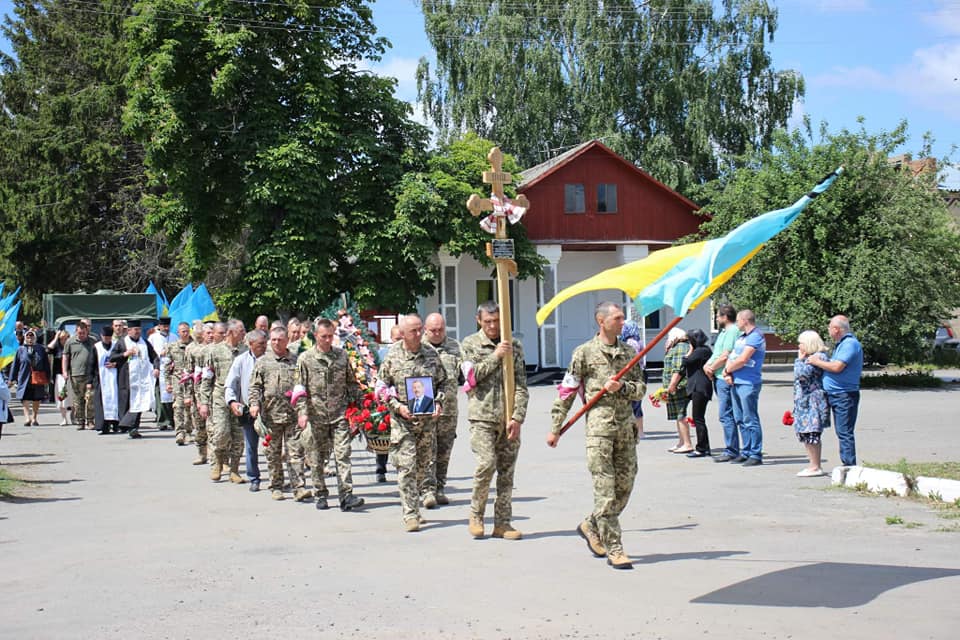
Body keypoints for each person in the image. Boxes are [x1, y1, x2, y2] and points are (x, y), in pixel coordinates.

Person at [547, 301, 646, 570]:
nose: (622, 322)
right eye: (617, 317)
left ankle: (590, 524)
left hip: (625, 430)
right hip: (599, 433)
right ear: (601, 321)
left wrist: (621, 386)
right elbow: (567, 391)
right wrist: (556, 427)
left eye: (623, 317)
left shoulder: (629, 353)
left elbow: (640, 389)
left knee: (624, 489)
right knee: (605, 491)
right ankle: (615, 548)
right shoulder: (584, 353)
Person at [460, 301, 529, 540]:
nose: (492, 326)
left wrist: (517, 417)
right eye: (487, 321)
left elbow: (521, 385)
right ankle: (476, 515)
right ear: (479, 320)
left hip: (507, 418)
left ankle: (503, 523)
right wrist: (496, 355)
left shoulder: (515, 346)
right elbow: (471, 377)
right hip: (482, 416)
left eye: (496, 321)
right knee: (486, 464)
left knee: (506, 472)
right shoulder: (470, 344)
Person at [377, 313, 447, 532]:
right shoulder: (393, 355)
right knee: (406, 467)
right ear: (404, 334)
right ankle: (410, 514)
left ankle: (415, 506)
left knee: (422, 467)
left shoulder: (431, 354)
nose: (418, 334)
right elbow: (381, 387)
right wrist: (398, 406)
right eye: (413, 331)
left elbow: (443, 383)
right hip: (403, 421)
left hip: (426, 424)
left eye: (420, 330)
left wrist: (438, 403)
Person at [295, 318, 365, 511]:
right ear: (316, 336)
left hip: (339, 414)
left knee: (343, 455)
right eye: (323, 336)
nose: (327, 340)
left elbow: (351, 383)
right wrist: (302, 413)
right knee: (316, 458)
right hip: (315, 416)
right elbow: (299, 389)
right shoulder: (305, 359)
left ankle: (346, 495)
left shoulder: (342, 356)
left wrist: (363, 403)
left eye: (330, 336)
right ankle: (320, 493)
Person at [250, 326, 311, 501]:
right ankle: (276, 486)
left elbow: (303, 386)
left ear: (287, 341)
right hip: (271, 415)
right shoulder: (263, 362)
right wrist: (254, 404)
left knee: (296, 452)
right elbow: (255, 386)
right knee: (273, 453)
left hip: (292, 415)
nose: (277, 343)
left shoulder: (296, 361)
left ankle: (298, 487)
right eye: (274, 339)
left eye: (280, 340)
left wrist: (304, 410)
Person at [808, 315, 863, 467]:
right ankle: (847, 464)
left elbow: (837, 367)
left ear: (837, 329)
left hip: (844, 394)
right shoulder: (841, 344)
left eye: (830, 327)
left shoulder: (850, 344)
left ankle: (849, 466)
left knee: (844, 431)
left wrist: (817, 361)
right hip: (835, 393)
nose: (828, 330)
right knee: (841, 431)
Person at [422, 312, 461, 505]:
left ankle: (439, 488)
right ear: (425, 330)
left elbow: (464, 372)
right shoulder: (419, 348)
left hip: (449, 409)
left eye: (441, 330)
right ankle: (427, 490)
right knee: (427, 449)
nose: (437, 333)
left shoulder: (454, 346)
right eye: (433, 330)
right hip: (426, 408)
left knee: (444, 451)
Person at [200, 320, 246, 483]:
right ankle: (217, 463)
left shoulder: (245, 351)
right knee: (221, 433)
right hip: (220, 396)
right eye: (241, 331)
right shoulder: (215, 351)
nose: (243, 334)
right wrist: (204, 401)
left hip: (240, 397)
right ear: (231, 332)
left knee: (238, 437)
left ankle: (234, 470)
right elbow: (206, 377)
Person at [223, 330, 265, 493]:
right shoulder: (241, 361)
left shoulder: (269, 359)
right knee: (251, 446)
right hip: (249, 410)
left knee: (273, 446)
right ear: (251, 344)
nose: (264, 346)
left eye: (264, 343)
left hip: (269, 409)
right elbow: (230, 384)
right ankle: (254, 477)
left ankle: (278, 479)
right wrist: (232, 402)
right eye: (260, 344)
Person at [722, 309, 765, 466]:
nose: (737, 323)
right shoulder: (742, 337)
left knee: (750, 418)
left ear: (745, 320)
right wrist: (727, 373)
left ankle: (755, 453)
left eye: (739, 320)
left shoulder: (756, 336)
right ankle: (745, 451)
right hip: (736, 380)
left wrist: (727, 370)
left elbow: (743, 359)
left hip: (749, 382)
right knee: (739, 418)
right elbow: (733, 356)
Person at [109, 320, 160, 439]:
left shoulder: (145, 343)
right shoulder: (122, 343)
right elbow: (112, 357)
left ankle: (134, 428)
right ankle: (126, 425)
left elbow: (155, 357)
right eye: (135, 330)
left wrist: (156, 368)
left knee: (140, 403)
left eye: (139, 330)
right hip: (126, 379)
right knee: (128, 403)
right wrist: (125, 354)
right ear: (129, 331)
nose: (137, 332)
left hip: (142, 379)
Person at [705, 305, 742, 463]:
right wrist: (707, 365)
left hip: (724, 377)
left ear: (725, 316)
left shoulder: (732, 331)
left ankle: (732, 449)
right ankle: (732, 448)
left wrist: (711, 368)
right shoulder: (724, 332)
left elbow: (725, 355)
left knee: (727, 414)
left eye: (718, 316)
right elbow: (717, 353)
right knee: (726, 414)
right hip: (718, 376)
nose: (717, 319)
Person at [793, 330, 831, 477]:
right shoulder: (809, 358)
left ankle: (816, 466)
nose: (799, 346)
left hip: (813, 401)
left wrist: (799, 360)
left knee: (812, 433)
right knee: (805, 433)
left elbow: (801, 376)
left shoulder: (817, 357)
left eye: (801, 343)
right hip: (804, 401)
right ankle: (812, 464)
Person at [682, 328, 713, 458]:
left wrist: (690, 349)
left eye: (690, 340)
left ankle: (702, 448)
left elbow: (685, 361)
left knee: (698, 418)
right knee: (698, 418)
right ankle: (704, 446)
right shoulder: (704, 350)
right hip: (699, 386)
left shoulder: (701, 351)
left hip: (699, 387)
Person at [9, 330, 51, 425]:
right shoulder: (20, 349)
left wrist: (48, 377)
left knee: (37, 397)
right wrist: (12, 378)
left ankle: (34, 418)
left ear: (35, 338)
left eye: (31, 337)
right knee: (25, 397)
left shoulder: (41, 349)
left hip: (38, 377)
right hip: (24, 377)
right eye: (28, 337)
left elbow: (46, 364)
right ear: (25, 338)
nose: (30, 339)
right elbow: (15, 364)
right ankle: (27, 418)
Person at [662, 327, 692, 454]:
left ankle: (687, 443)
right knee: (678, 415)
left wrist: (672, 385)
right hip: (675, 386)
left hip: (678, 386)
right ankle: (681, 442)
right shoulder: (678, 346)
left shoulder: (680, 347)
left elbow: (678, 368)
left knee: (681, 415)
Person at [63, 322, 96, 429]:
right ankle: (80, 421)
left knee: (90, 398)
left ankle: (90, 420)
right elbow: (65, 357)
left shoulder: (93, 341)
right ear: (76, 331)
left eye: (84, 333)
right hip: (76, 374)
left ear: (87, 331)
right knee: (78, 399)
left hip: (90, 374)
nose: (81, 335)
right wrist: (64, 371)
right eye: (79, 333)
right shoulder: (70, 342)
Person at [185, 322, 210, 464]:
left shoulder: (215, 349)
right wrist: (188, 395)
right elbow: (188, 373)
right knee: (200, 425)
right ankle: (202, 453)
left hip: (213, 394)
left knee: (214, 426)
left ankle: (217, 456)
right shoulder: (192, 349)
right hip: (197, 393)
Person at [167, 322, 194, 446]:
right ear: (178, 333)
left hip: (192, 380)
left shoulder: (195, 346)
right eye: (182, 331)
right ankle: (179, 433)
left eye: (187, 331)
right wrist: (167, 383)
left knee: (190, 407)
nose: (185, 333)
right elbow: (167, 366)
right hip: (177, 380)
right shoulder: (172, 347)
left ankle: (189, 431)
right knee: (178, 406)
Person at [619, 319, 646, 439]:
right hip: (640, 373)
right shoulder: (639, 341)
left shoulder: (630, 343)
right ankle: (639, 431)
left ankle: (637, 431)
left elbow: (630, 362)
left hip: (633, 376)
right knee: (637, 404)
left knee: (633, 404)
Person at [92, 326, 120, 434]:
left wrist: (115, 364)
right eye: (105, 337)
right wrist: (90, 381)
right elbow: (91, 364)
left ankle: (116, 424)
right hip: (101, 379)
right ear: (101, 336)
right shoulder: (96, 347)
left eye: (109, 337)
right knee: (102, 403)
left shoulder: (116, 345)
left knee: (115, 401)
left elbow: (124, 359)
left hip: (114, 378)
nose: (107, 339)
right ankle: (103, 426)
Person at [148, 318, 174, 431]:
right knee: (160, 396)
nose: (166, 328)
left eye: (168, 326)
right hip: (159, 370)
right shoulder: (153, 338)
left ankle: (173, 420)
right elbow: (150, 355)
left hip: (172, 370)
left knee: (172, 396)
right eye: (164, 326)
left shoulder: (174, 337)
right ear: (159, 326)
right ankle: (162, 421)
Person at [46, 330, 71, 426]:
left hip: (71, 374)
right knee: (62, 397)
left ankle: (74, 415)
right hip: (59, 375)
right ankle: (64, 418)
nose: (64, 340)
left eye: (66, 338)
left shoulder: (71, 346)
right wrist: (56, 338)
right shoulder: (57, 347)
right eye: (62, 338)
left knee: (72, 397)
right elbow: (48, 348)